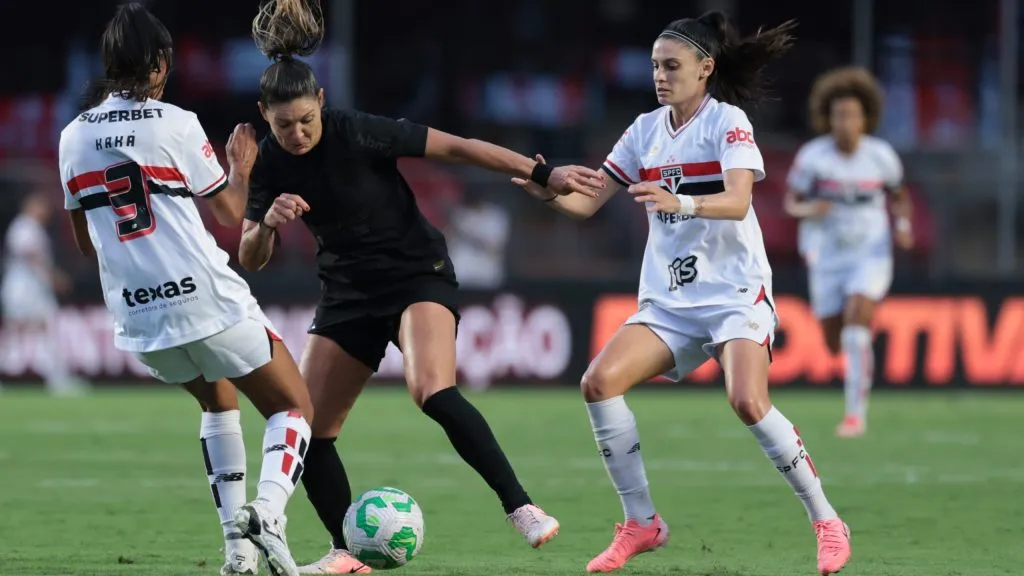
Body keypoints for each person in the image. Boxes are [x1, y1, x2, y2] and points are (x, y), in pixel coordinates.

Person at [236, 1, 604, 573]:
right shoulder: (268, 166)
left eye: (307, 119)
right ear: (265, 115)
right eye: (284, 124)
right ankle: (345, 550)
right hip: (347, 292)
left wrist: (542, 173)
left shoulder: (358, 131)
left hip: (415, 273)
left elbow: (457, 147)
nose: (299, 132)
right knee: (306, 427)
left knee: (431, 389)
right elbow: (251, 257)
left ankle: (522, 506)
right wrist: (265, 223)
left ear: (322, 104)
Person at [513, 11, 851, 575]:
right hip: (670, 301)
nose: (660, 76)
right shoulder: (644, 130)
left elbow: (740, 201)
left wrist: (684, 202)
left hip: (735, 293)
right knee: (597, 383)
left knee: (746, 400)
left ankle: (826, 520)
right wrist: (543, 192)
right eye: (654, 66)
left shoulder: (728, 122)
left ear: (705, 69)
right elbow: (586, 205)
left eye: (672, 66)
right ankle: (641, 523)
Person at [59, 4, 315, 575]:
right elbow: (227, 210)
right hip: (205, 297)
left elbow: (84, 243)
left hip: (138, 318)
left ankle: (237, 553)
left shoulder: (71, 137)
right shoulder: (175, 122)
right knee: (293, 406)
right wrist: (240, 164)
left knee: (217, 401)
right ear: (159, 65)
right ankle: (269, 512)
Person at [783, 66, 913, 438]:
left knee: (858, 323)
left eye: (853, 115)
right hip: (826, 255)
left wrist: (903, 226)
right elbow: (791, 202)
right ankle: (855, 358)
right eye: (839, 115)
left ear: (865, 117)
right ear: (828, 117)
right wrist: (810, 210)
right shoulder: (813, 157)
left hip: (871, 251)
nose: (846, 123)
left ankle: (855, 415)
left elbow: (900, 198)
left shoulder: (881, 156)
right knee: (832, 341)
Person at [1, 192, 84, 394]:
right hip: (24, 291)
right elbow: (31, 256)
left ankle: (57, 378)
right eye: (41, 206)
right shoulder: (25, 226)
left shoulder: (31, 227)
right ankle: (58, 379)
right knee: (22, 334)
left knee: (34, 332)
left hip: (29, 290)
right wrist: (53, 277)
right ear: (31, 207)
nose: (46, 212)